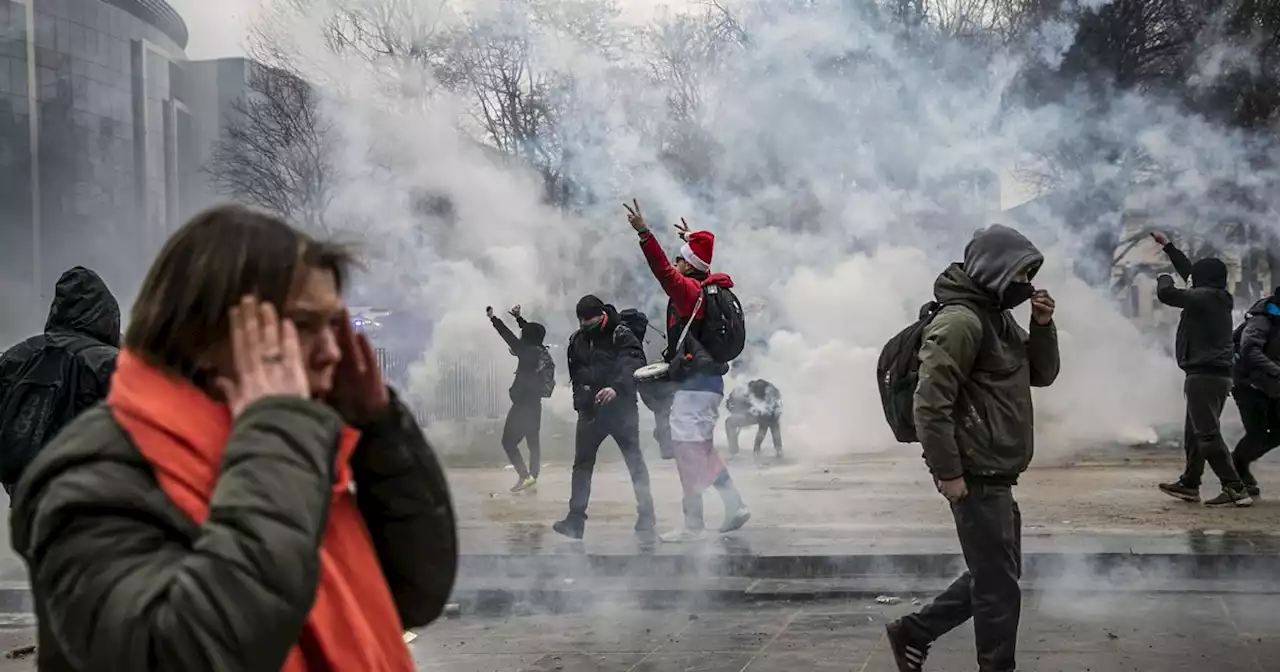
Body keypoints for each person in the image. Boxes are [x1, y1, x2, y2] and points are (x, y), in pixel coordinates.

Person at [10, 204, 458, 671]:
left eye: (333, 325)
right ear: (204, 335)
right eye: (304, 325)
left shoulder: (289, 450)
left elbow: (415, 593)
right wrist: (277, 432)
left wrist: (380, 429)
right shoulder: (93, 480)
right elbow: (190, 654)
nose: (332, 351)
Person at [885, 224, 1060, 672]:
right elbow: (930, 404)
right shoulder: (961, 321)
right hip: (975, 473)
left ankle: (915, 631)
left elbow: (1040, 373)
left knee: (997, 574)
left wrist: (1042, 326)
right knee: (999, 587)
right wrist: (948, 473)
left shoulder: (997, 317)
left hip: (997, 471)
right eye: (1021, 275)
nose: (1027, 285)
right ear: (995, 271)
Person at [625, 199, 750, 543]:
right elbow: (701, 253)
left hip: (693, 386)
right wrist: (693, 236)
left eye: (681, 257)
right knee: (702, 451)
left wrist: (644, 233)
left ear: (690, 265)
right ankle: (734, 506)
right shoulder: (711, 288)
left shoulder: (688, 290)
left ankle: (693, 524)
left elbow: (663, 270)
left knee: (686, 451)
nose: (676, 262)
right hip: (708, 385)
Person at [1149, 231, 1252, 507]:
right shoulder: (1215, 296)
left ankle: (1234, 487)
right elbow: (1190, 274)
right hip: (1211, 374)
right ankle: (1190, 484)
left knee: (1206, 434)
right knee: (1195, 432)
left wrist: (1162, 277)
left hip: (1205, 375)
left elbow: (1167, 294)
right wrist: (1168, 247)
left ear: (1204, 278)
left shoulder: (1205, 298)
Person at [0, 267, 120, 496]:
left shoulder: (15, 357)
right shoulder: (110, 363)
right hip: (95, 500)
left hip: (27, 499)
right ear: (107, 316)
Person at [552, 295, 656, 539]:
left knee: (634, 462)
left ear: (601, 314)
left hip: (621, 410)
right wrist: (581, 404)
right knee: (582, 465)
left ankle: (647, 515)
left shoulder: (620, 334)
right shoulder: (578, 340)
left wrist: (616, 388)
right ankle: (575, 521)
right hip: (591, 412)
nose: (585, 323)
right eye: (581, 320)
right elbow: (577, 373)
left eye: (589, 319)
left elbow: (633, 363)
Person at [488, 303, 550, 493]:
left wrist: (493, 319)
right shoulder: (540, 351)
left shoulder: (526, 352)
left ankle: (524, 476)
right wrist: (519, 319)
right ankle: (532, 477)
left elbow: (508, 336)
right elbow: (532, 332)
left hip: (522, 406)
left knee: (508, 442)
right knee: (533, 443)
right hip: (535, 405)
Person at [1231, 287, 1280, 498]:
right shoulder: (1261, 320)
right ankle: (1237, 467)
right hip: (1248, 386)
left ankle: (1240, 463)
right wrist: (1277, 370)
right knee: (1257, 432)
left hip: (1271, 386)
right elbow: (1249, 349)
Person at [725, 379, 783, 459]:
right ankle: (734, 451)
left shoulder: (772, 392)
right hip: (748, 412)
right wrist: (739, 411)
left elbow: (774, 412)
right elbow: (729, 404)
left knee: (772, 421)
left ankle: (778, 449)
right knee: (730, 422)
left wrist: (757, 446)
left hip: (765, 413)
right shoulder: (741, 390)